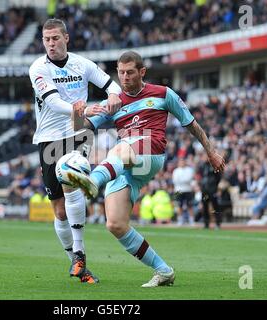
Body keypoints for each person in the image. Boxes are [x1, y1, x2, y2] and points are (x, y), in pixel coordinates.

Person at [68, 51, 225, 287]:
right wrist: (78, 111)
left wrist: (211, 152)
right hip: (124, 166)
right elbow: (79, 129)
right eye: (121, 73)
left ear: (142, 72)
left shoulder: (163, 94)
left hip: (150, 153)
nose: (125, 77)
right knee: (115, 224)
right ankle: (164, 271)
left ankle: (93, 181)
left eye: (130, 72)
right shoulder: (112, 101)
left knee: (121, 148)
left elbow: (192, 124)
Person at [28, 18, 122, 283]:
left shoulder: (83, 64)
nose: (51, 44)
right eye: (46, 39)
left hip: (78, 132)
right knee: (59, 211)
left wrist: (114, 95)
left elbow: (109, 84)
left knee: (70, 179)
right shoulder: (38, 68)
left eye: (55, 38)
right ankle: (76, 262)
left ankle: (80, 252)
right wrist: (84, 108)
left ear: (66, 38)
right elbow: (54, 102)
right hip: (48, 137)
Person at [199, 151, 223, 229]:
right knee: (205, 206)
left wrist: (217, 188)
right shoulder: (202, 166)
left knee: (215, 206)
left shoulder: (214, 165)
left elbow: (218, 178)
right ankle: (206, 224)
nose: (204, 158)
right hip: (205, 190)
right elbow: (201, 177)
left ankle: (218, 223)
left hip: (213, 190)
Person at [172, 158, 195, 226]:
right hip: (178, 191)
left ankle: (191, 221)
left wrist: (181, 180)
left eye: (183, 162)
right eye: (180, 162)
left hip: (188, 190)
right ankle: (180, 220)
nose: (182, 163)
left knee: (190, 206)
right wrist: (184, 180)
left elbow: (189, 179)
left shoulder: (189, 170)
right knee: (179, 206)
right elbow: (175, 180)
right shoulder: (176, 171)